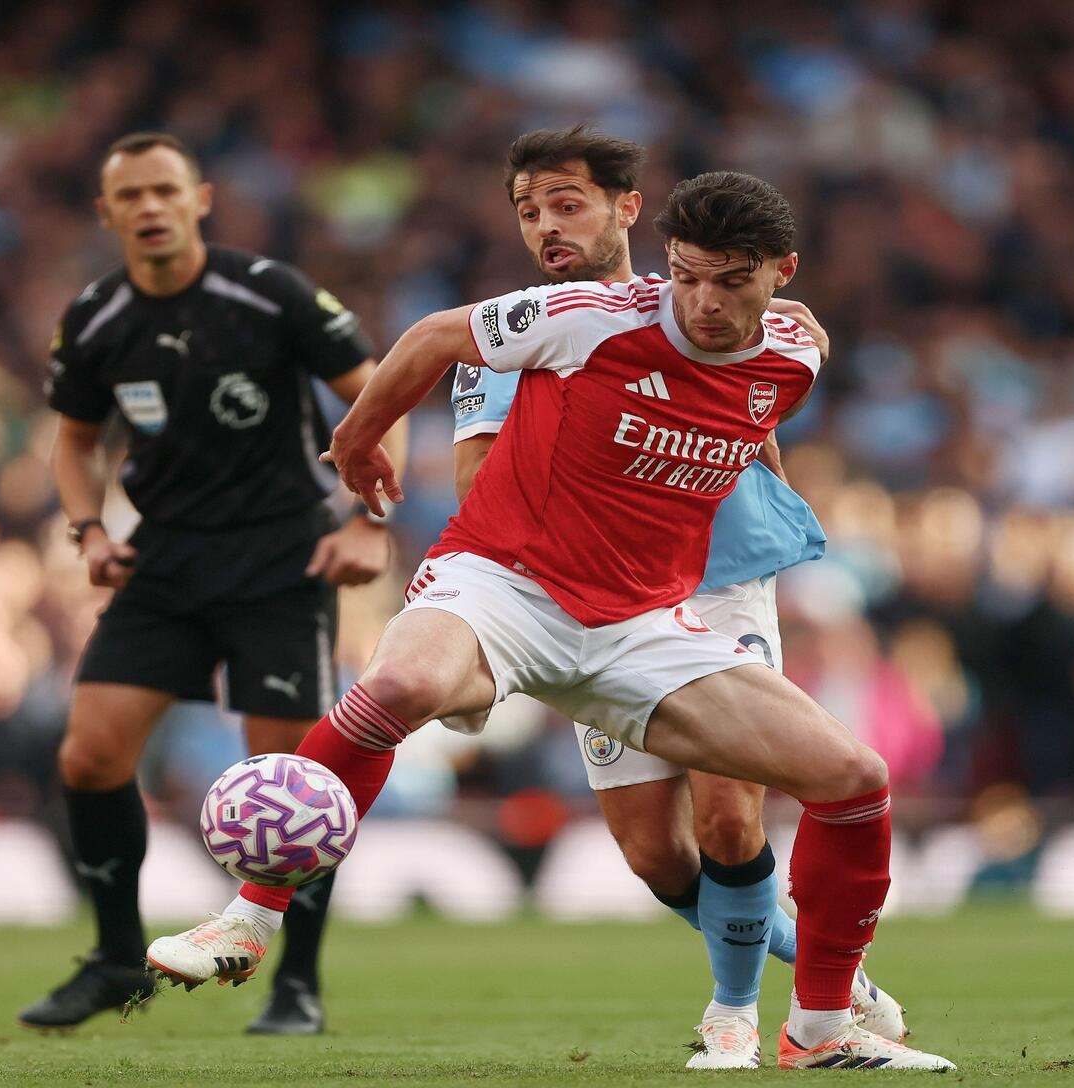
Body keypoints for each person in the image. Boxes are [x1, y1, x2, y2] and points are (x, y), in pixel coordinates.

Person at [148, 170, 956, 1071]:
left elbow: (750, 429)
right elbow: (430, 336)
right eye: (687, 275)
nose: (703, 301)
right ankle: (251, 918)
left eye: (731, 281)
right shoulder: (588, 316)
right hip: (505, 584)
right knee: (402, 682)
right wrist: (355, 438)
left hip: (645, 623)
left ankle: (819, 1027)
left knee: (853, 777)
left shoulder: (793, 359)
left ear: (780, 273)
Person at [448, 126, 904, 1068]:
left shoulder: (732, 305)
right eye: (528, 211)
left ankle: (734, 1015)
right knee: (656, 854)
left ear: (629, 211)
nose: (546, 226)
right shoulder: (526, 327)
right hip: (597, 596)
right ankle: (820, 963)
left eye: (566, 203)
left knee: (733, 815)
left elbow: (759, 410)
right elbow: (477, 478)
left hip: (720, 585)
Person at [19, 131, 407, 1035]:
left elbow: (379, 395)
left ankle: (295, 985)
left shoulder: (267, 294)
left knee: (294, 788)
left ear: (200, 198)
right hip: (164, 561)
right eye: (131, 196)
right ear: (106, 213)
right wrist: (87, 531)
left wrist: (367, 520)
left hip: (281, 560)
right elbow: (74, 442)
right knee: (89, 755)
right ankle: (117, 960)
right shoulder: (95, 317)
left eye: (165, 190)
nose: (149, 208)